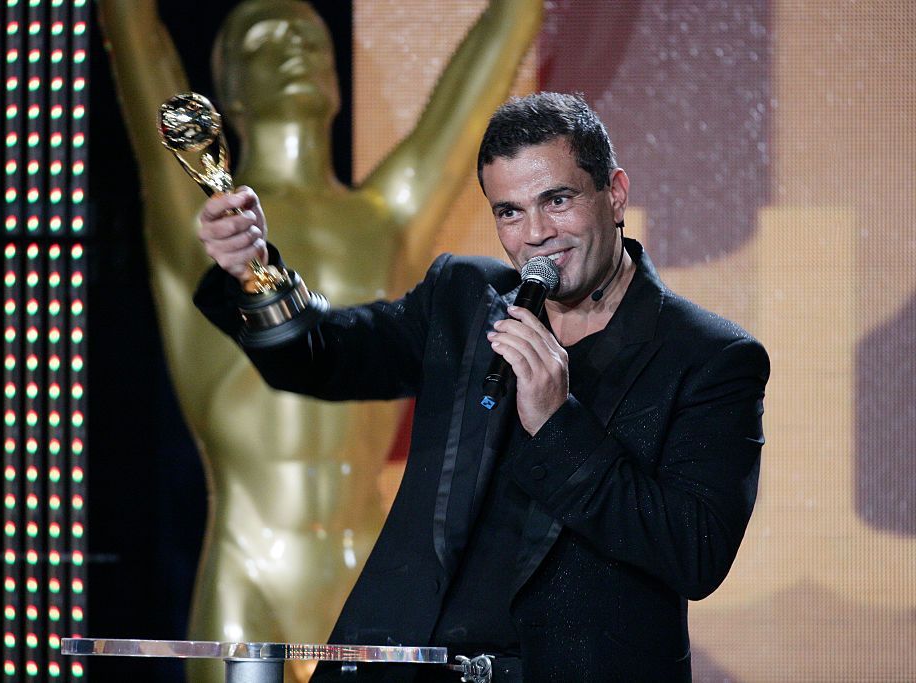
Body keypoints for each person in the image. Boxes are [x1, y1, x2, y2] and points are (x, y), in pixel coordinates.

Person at [195, 92, 768, 682]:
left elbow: (695, 551)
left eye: (558, 200)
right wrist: (254, 274)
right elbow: (321, 356)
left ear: (615, 194)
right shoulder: (465, 301)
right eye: (510, 212)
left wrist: (558, 425)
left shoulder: (708, 357)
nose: (537, 233)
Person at [97, 1, 542, 677]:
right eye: (264, 39)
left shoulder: (386, 218)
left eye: (309, 37)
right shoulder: (205, 217)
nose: (296, 48)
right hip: (250, 571)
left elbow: (475, 89)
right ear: (228, 90)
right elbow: (137, 38)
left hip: (369, 558)